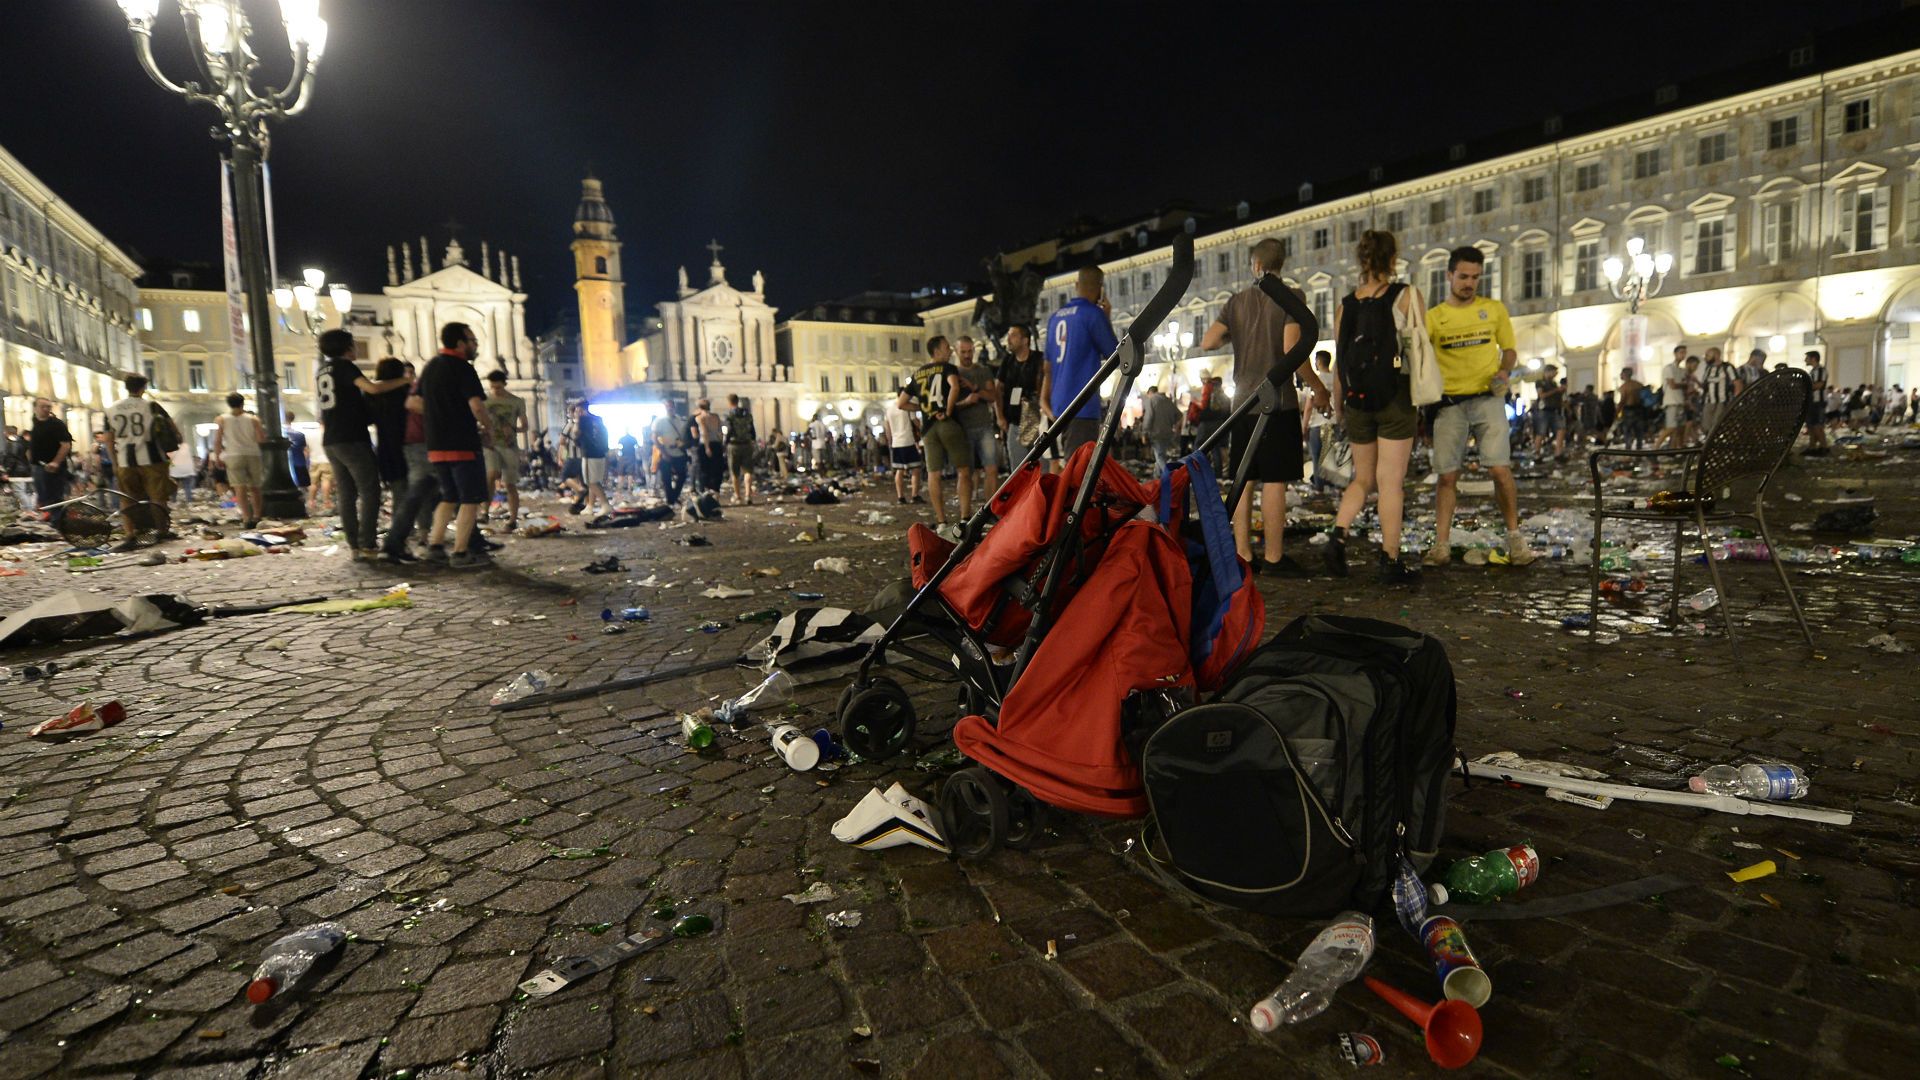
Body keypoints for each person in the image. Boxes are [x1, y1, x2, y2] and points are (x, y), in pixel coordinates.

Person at [1201, 237, 1330, 574]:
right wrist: (1319, 389)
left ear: (1254, 266)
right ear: (1280, 264)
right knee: (1274, 481)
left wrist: (1238, 334)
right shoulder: (1291, 297)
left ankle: (1243, 554)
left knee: (1244, 480)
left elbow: (1208, 341)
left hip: (1242, 402)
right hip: (1277, 400)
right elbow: (1293, 351)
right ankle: (1274, 557)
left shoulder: (1237, 301)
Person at [1423, 246, 1536, 567]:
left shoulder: (1494, 310)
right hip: (1449, 404)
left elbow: (1510, 350)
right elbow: (1420, 355)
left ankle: (1515, 539)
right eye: (1463, 276)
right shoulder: (1435, 317)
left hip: (1488, 399)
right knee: (1446, 476)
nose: (1469, 283)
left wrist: (1504, 370)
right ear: (1449, 275)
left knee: (1500, 469)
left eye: (1474, 277)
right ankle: (1441, 544)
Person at [1324, 229, 1422, 584]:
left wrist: (1338, 406)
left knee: (1362, 478)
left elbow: (1339, 361)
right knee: (1390, 482)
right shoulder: (1405, 296)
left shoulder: (1344, 306)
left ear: (1360, 260)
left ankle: (1338, 535)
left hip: (1356, 402)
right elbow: (1419, 351)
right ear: (1393, 260)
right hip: (1395, 398)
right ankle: (1390, 559)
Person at [316, 329, 408, 560]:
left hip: (331, 440)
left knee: (347, 494)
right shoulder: (344, 366)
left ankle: (354, 545)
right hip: (352, 437)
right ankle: (367, 543)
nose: (356, 349)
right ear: (347, 348)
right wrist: (405, 380)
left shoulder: (322, 370)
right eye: (354, 345)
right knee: (370, 491)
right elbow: (373, 388)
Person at [419, 322, 492, 568]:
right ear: (461, 344)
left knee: (448, 496)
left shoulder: (430, 367)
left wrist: (436, 418)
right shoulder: (463, 368)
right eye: (473, 341)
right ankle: (460, 553)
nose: (475, 346)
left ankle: (435, 546)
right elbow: (477, 406)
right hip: (462, 442)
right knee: (470, 498)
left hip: (436, 444)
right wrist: (489, 429)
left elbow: (412, 403)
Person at [1041, 266, 1119, 464]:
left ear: (1076, 285)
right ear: (1100, 288)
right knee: (1080, 471)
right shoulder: (1093, 314)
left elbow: (1047, 367)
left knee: (1069, 463)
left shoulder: (1054, 318)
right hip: (1082, 404)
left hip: (1059, 405)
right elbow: (1115, 355)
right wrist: (1106, 317)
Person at [102, 374, 180, 549]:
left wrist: (114, 462)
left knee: (127, 498)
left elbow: (108, 439)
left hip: (124, 460)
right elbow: (172, 429)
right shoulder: (151, 406)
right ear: (144, 387)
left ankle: (130, 533)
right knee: (157, 497)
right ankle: (161, 530)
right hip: (152, 458)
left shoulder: (112, 408)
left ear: (126, 387)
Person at [380, 363, 439, 565]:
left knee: (417, 493)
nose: (410, 377)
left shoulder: (380, 395)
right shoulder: (409, 392)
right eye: (406, 374)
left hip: (397, 447)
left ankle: (410, 539)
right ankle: (401, 541)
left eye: (412, 373)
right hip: (413, 445)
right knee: (419, 492)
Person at [912, 335, 970, 538]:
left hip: (928, 428)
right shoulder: (948, 368)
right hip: (947, 423)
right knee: (963, 469)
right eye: (947, 348)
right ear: (936, 351)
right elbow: (954, 386)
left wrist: (921, 408)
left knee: (933, 474)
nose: (950, 351)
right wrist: (947, 409)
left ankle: (941, 521)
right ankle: (964, 518)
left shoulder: (918, 373)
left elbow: (901, 402)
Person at [952, 336, 1003, 501]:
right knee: (965, 473)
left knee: (991, 469)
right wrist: (966, 402)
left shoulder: (982, 370)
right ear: (956, 352)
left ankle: (989, 510)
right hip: (963, 429)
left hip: (984, 426)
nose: (967, 355)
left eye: (970, 351)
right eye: (963, 352)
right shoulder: (953, 373)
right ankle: (965, 514)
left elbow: (992, 396)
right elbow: (949, 406)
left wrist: (975, 389)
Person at [482, 370, 528, 524]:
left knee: (510, 483)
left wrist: (513, 429)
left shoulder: (516, 401)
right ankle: (484, 511)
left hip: (509, 445)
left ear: (504, 384)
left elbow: (525, 426)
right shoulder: (485, 401)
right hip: (491, 445)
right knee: (491, 474)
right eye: (493, 387)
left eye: (498, 387)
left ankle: (513, 519)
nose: (495, 390)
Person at [213, 394, 266, 526]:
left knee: (239, 488)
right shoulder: (254, 419)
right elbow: (261, 439)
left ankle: (247, 518)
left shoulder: (221, 419)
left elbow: (218, 440)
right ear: (243, 403)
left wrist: (217, 456)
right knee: (255, 488)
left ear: (229, 404)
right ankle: (257, 516)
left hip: (233, 455)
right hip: (253, 454)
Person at [997, 324, 1044, 467]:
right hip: (1015, 422)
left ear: (1025, 340)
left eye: (1013, 335)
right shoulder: (1008, 361)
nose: (1008, 339)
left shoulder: (1038, 359)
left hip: (1036, 420)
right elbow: (998, 388)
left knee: (1041, 465)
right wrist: (1000, 416)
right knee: (1018, 469)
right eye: (1008, 335)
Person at [570, 401, 610, 517]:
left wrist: (577, 421)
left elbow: (575, 434)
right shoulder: (598, 419)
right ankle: (590, 506)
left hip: (589, 454)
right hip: (601, 453)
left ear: (581, 410)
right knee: (595, 480)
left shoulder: (582, 420)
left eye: (577, 410)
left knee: (590, 481)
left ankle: (605, 504)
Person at [1303, 351, 1335, 493]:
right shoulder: (1336, 379)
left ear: (1318, 361)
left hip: (1317, 425)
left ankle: (1319, 490)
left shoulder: (1316, 381)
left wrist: (1304, 426)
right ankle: (1333, 488)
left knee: (1317, 459)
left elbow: (1309, 406)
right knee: (1331, 459)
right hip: (1333, 423)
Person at [884, 386, 922, 504]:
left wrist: (890, 441)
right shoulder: (907, 407)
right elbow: (915, 421)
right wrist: (923, 428)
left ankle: (900, 497)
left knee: (899, 471)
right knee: (915, 469)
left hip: (896, 443)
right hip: (908, 441)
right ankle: (914, 495)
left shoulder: (889, 410)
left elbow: (887, 428)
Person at [651, 399, 692, 505]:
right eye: (668, 406)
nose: (670, 408)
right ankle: (671, 500)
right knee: (666, 478)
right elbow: (654, 438)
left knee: (682, 476)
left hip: (679, 452)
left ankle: (673, 497)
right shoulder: (659, 421)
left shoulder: (680, 420)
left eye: (671, 406)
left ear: (674, 407)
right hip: (666, 452)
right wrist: (663, 452)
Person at [723, 393, 758, 505]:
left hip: (734, 445)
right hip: (747, 444)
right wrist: (752, 439)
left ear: (729, 402)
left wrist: (725, 443)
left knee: (735, 472)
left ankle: (738, 496)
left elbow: (729, 430)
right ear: (738, 401)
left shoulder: (730, 415)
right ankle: (748, 495)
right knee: (748, 471)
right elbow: (752, 430)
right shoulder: (747, 414)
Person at [1139, 383, 1181, 474]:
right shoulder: (1168, 400)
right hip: (1168, 433)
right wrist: (1172, 423)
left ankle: (1169, 475)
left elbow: (1148, 417)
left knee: (1160, 456)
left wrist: (1144, 433)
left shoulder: (1151, 400)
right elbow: (1179, 415)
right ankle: (1157, 477)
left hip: (1156, 433)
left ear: (1150, 392)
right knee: (1160, 455)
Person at [1655, 344, 1690, 449]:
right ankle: (1656, 447)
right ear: (1675, 354)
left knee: (1679, 428)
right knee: (1671, 427)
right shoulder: (1669, 368)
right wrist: (1684, 385)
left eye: (1684, 353)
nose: (1683, 355)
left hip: (1680, 401)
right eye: (1681, 352)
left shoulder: (1682, 370)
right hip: (1671, 402)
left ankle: (1675, 448)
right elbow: (1673, 385)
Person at [1699, 349, 1737, 437]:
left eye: (1708, 355)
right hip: (1709, 401)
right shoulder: (1708, 368)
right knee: (1706, 425)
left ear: (1716, 355)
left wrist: (1735, 400)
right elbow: (1705, 384)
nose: (1706, 358)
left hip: (1722, 401)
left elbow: (1737, 383)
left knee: (1717, 424)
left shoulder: (1727, 367)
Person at [692, 398, 724, 494]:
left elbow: (704, 432)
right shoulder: (716, 417)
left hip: (705, 444)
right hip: (717, 444)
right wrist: (721, 442)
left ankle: (705, 491)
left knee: (704, 469)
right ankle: (715, 490)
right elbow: (720, 432)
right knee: (716, 469)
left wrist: (707, 447)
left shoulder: (699, 418)